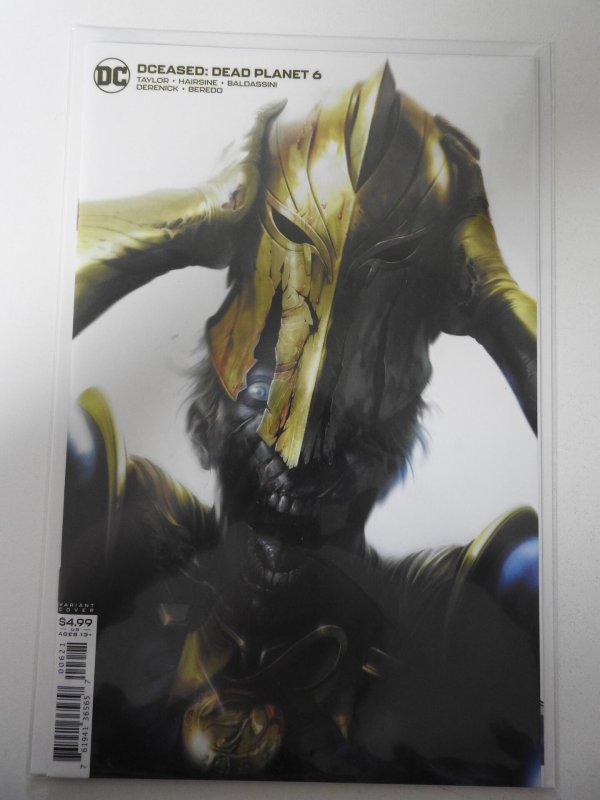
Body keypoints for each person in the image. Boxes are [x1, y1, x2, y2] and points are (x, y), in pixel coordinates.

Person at [61, 64, 540, 784]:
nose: (300, 452)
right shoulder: (116, 542)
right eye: (261, 404)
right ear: (206, 418)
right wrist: (186, 220)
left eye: (351, 428)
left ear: (397, 451)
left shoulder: (463, 623)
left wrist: (497, 302)